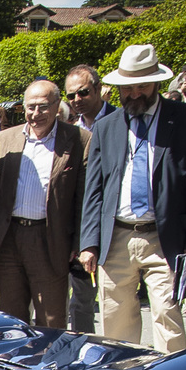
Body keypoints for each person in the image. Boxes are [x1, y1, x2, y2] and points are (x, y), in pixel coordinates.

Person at [78, 43, 186, 353]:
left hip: (165, 239)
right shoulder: (106, 126)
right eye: (128, 87)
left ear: (157, 83)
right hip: (117, 238)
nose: (134, 93)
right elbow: (94, 188)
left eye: (142, 85)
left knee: (167, 316)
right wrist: (89, 242)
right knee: (116, 322)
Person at [0, 78, 87, 328]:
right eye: (30, 107)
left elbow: (83, 198)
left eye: (43, 107)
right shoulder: (5, 139)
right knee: (11, 320)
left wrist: (79, 244)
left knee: (51, 319)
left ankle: (50, 366)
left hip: (49, 240)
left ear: (58, 105)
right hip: (9, 239)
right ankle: (16, 365)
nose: (35, 114)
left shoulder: (79, 139)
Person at [62, 64, 115, 333]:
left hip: (116, 222)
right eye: (71, 96)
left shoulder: (121, 121)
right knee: (81, 299)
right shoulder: (71, 131)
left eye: (83, 93)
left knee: (115, 304)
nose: (76, 100)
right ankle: (83, 350)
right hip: (81, 224)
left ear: (98, 90)